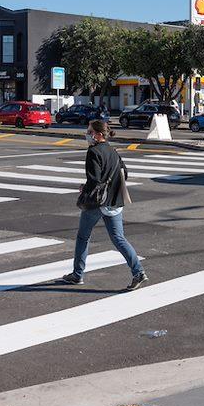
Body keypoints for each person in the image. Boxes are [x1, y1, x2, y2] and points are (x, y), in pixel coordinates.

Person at [61, 119, 146, 289]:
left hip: (97, 203)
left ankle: (77, 274)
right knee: (119, 238)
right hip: (115, 202)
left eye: (90, 132)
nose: (88, 134)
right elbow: (124, 173)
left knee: (83, 237)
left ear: (99, 135)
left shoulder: (93, 152)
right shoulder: (113, 151)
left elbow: (95, 180)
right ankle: (138, 272)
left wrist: (84, 188)